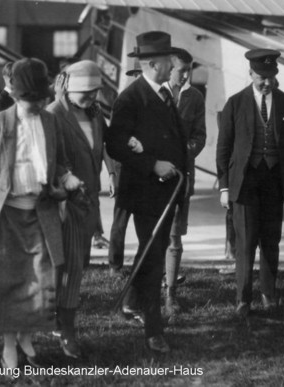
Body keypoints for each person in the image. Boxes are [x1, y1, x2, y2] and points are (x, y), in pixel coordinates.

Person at [0, 57, 81, 372]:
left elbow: (60, 162)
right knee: (5, 285)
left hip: (41, 214)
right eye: (27, 100)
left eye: (39, 100)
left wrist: (67, 177)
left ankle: (27, 336)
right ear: (14, 95)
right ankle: (9, 345)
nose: (34, 105)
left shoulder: (51, 122)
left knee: (39, 283)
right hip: (6, 218)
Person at [105, 31, 186, 353]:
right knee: (153, 259)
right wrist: (152, 165)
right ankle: (154, 329)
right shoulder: (131, 98)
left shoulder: (165, 93)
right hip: (144, 193)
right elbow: (114, 144)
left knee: (152, 250)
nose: (173, 65)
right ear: (154, 63)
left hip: (167, 192)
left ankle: (130, 301)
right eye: (168, 60)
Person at [216, 48, 284, 318]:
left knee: (271, 240)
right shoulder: (235, 103)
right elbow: (223, 147)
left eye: (271, 76)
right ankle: (243, 299)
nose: (267, 82)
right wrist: (224, 187)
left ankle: (269, 294)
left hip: (274, 181)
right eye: (261, 76)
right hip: (244, 182)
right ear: (251, 73)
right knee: (245, 242)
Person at [46, 60, 115, 359]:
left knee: (78, 264)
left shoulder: (95, 114)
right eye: (85, 93)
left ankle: (58, 320)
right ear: (68, 88)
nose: (90, 98)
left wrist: (112, 174)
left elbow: (102, 150)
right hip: (65, 203)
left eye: (95, 92)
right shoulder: (54, 115)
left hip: (89, 202)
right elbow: (49, 158)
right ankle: (67, 333)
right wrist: (68, 179)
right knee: (71, 269)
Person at [161, 48, 206, 316]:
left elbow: (200, 135)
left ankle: (170, 294)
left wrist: (184, 152)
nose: (187, 75)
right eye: (182, 70)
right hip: (154, 176)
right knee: (153, 235)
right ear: (169, 68)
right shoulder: (155, 93)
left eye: (189, 69)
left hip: (181, 178)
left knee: (175, 237)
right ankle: (145, 290)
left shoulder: (195, 97)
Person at [107, 60, 143, 278]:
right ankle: (114, 265)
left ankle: (142, 263)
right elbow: (115, 138)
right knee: (121, 220)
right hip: (126, 169)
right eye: (138, 74)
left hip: (143, 170)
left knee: (144, 220)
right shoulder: (126, 99)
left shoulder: (150, 98)